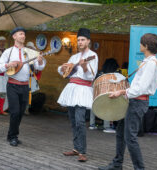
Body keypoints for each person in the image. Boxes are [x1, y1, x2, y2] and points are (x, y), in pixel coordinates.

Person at [99, 33, 157, 170]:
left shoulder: (151, 64)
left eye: (141, 43)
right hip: (132, 102)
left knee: (130, 138)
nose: (139, 45)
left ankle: (139, 168)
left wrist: (121, 92)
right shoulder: (147, 62)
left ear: (146, 46)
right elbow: (136, 86)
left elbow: (141, 89)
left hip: (138, 103)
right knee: (121, 133)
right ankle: (117, 164)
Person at [0, 27, 46, 147]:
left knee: (21, 112)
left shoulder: (29, 52)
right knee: (15, 112)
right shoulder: (8, 52)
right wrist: (8, 64)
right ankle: (13, 136)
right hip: (12, 85)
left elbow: (40, 67)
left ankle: (10, 134)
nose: (23, 36)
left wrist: (39, 60)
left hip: (25, 86)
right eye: (20, 34)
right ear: (14, 36)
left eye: (24, 34)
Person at [58, 28, 98, 162]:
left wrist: (85, 66)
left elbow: (91, 76)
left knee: (80, 121)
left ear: (88, 41)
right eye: (78, 40)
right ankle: (76, 148)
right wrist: (63, 68)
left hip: (83, 90)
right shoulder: (74, 57)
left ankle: (82, 151)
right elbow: (65, 72)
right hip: (71, 89)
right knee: (73, 120)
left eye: (82, 40)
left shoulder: (93, 55)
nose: (80, 42)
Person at [89, 58, 119, 133]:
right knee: (108, 103)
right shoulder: (113, 75)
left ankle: (92, 124)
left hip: (95, 96)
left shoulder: (99, 73)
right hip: (105, 97)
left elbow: (93, 85)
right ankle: (107, 126)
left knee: (93, 104)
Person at [24, 41, 43, 115]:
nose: (29, 49)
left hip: (31, 78)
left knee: (29, 94)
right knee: (24, 93)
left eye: (30, 47)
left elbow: (38, 70)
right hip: (24, 78)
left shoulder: (35, 57)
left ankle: (26, 109)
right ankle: (22, 108)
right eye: (28, 47)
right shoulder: (23, 56)